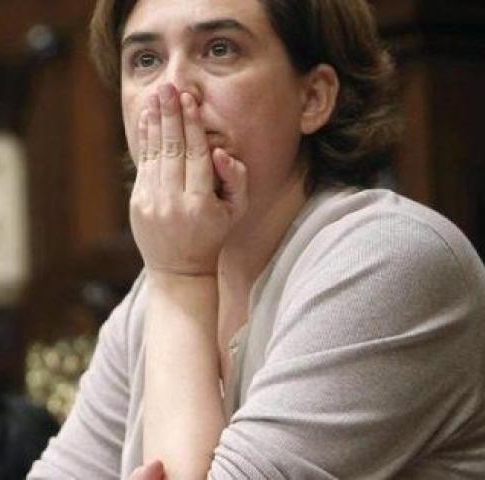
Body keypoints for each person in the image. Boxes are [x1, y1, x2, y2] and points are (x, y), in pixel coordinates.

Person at [29, 0, 485, 478]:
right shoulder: (149, 302)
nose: (173, 88)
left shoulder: (389, 259)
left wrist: (182, 278)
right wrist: (175, 279)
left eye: (219, 49)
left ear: (313, 98)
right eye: (146, 59)